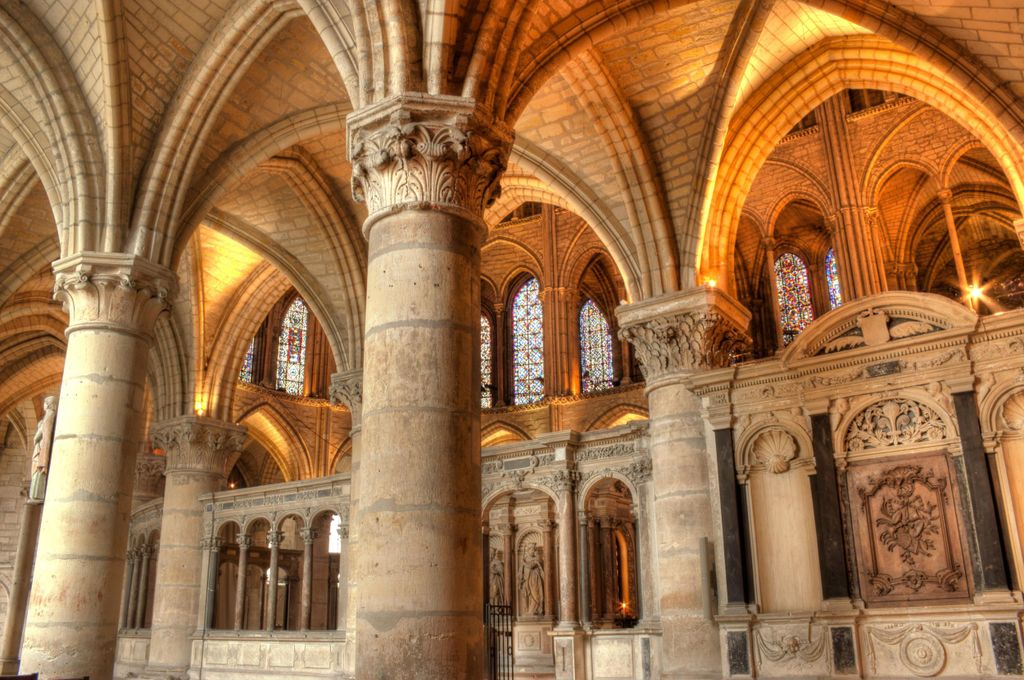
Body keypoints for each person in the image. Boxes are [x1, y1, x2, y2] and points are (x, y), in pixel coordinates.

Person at [28, 396, 57, 503]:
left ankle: (37, 495)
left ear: (48, 404)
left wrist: (36, 438)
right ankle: (35, 495)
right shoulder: (48, 416)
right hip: (40, 448)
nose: (43, 405)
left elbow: (42, 433)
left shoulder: (49, 415)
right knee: (36, 473)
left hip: (41, 449)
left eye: (45, 403)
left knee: (38, 473)